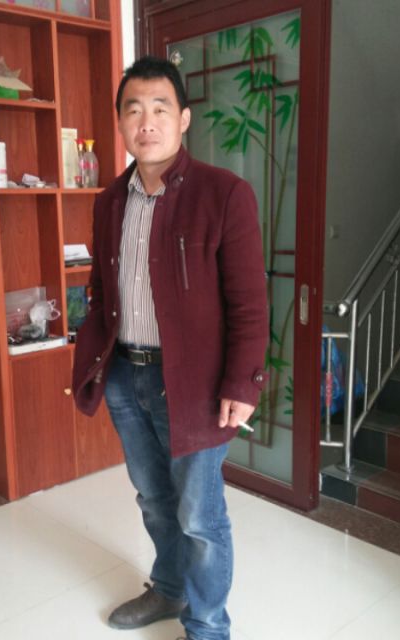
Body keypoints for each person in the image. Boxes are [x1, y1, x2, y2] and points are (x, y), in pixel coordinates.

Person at [72, 55, 268, 640]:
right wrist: (94, 359)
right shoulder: (109, 201)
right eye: (134, 109)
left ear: (184, 118)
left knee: (200, 515)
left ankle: (207, 626)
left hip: (196, 384)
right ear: (120, 123)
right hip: (125, 377)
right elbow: (102, 287)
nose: (147, 121)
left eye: (160, 107)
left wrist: (243, 383)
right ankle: (168, 587)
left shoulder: (224, 194)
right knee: (154, 499)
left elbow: (249, 302)